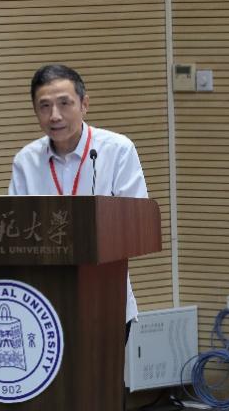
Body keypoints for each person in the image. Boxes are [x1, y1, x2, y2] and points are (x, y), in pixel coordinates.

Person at [8, 64, 147, 343]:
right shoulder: (26, 161)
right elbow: (14, 230)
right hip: (43, 305)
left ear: (84, 104)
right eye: (44, 106)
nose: (54, 115)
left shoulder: (117, 150)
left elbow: (138, 225)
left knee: (102, 373)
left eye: (64, 103)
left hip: (106, 299)